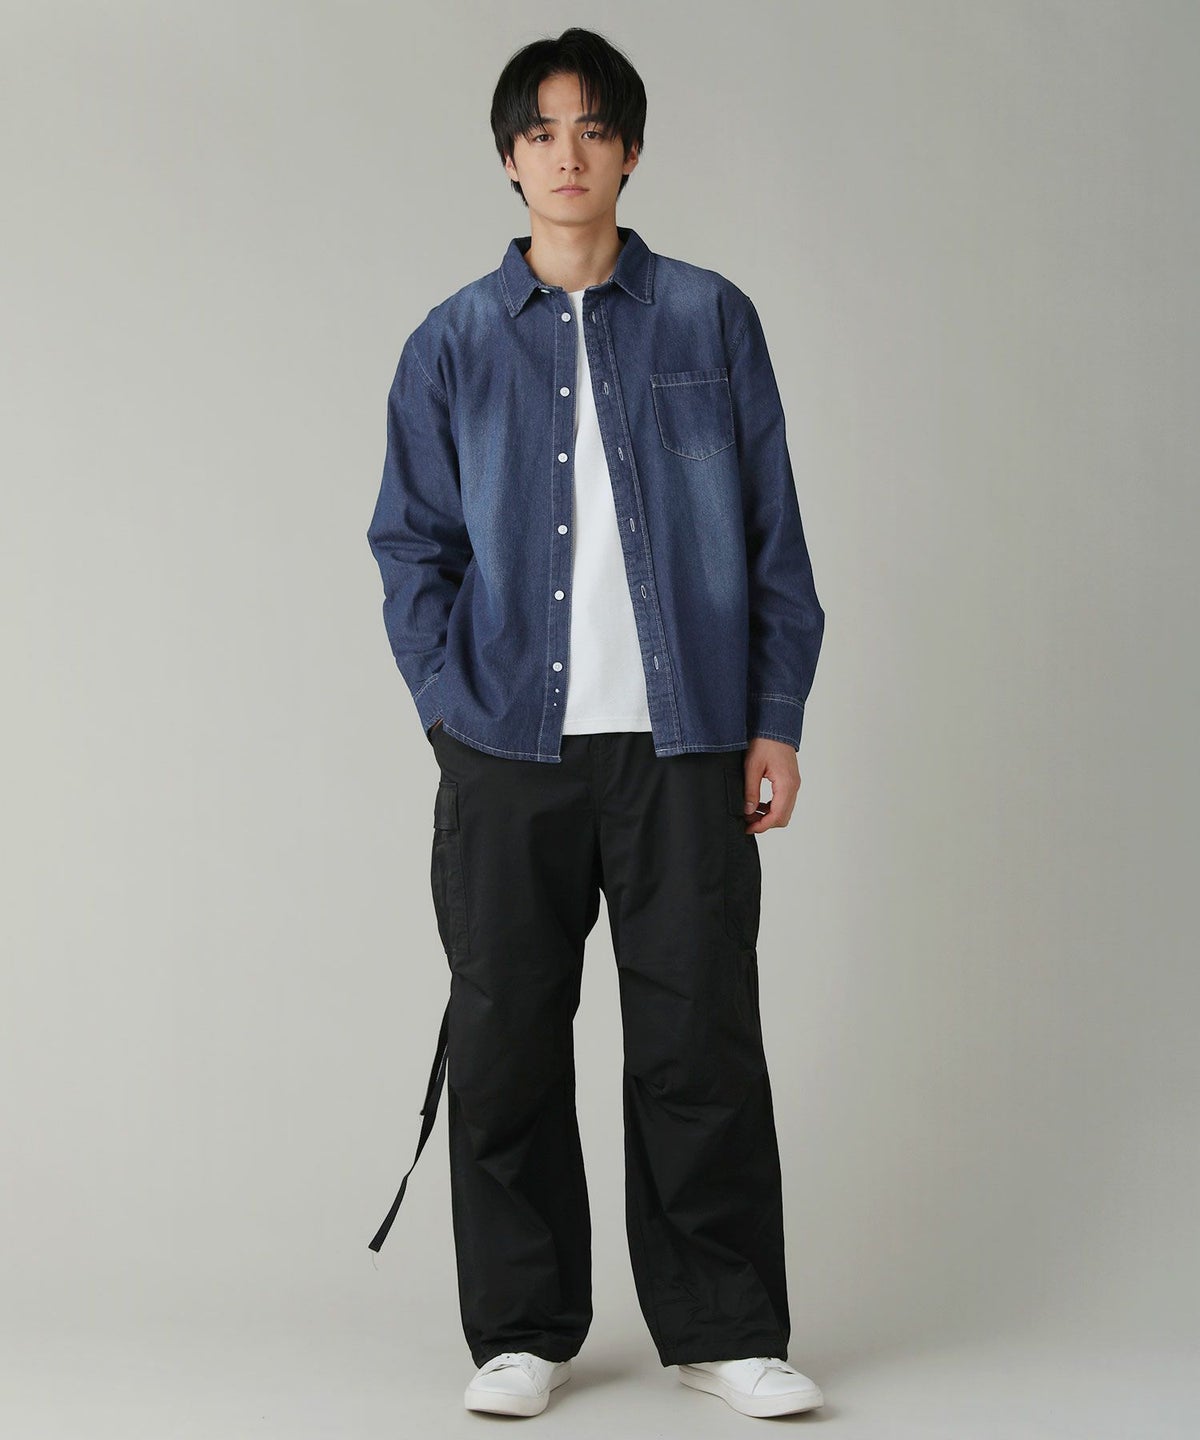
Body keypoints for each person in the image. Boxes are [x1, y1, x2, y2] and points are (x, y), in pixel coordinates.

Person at [365, 26, 826, 1421]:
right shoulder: (451, 343)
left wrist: (775, 716)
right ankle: (520, 1332)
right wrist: (452, 712)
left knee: (700, 1039)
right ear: (510, 160)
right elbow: (410, 547)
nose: (568, 154)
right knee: (506, 1035)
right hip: (509, 748)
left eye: (592, 128)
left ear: (629, 148)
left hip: (687, 742)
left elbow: (771, 532)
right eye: (541, 132)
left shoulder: (708, 320)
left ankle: (722, 1328)